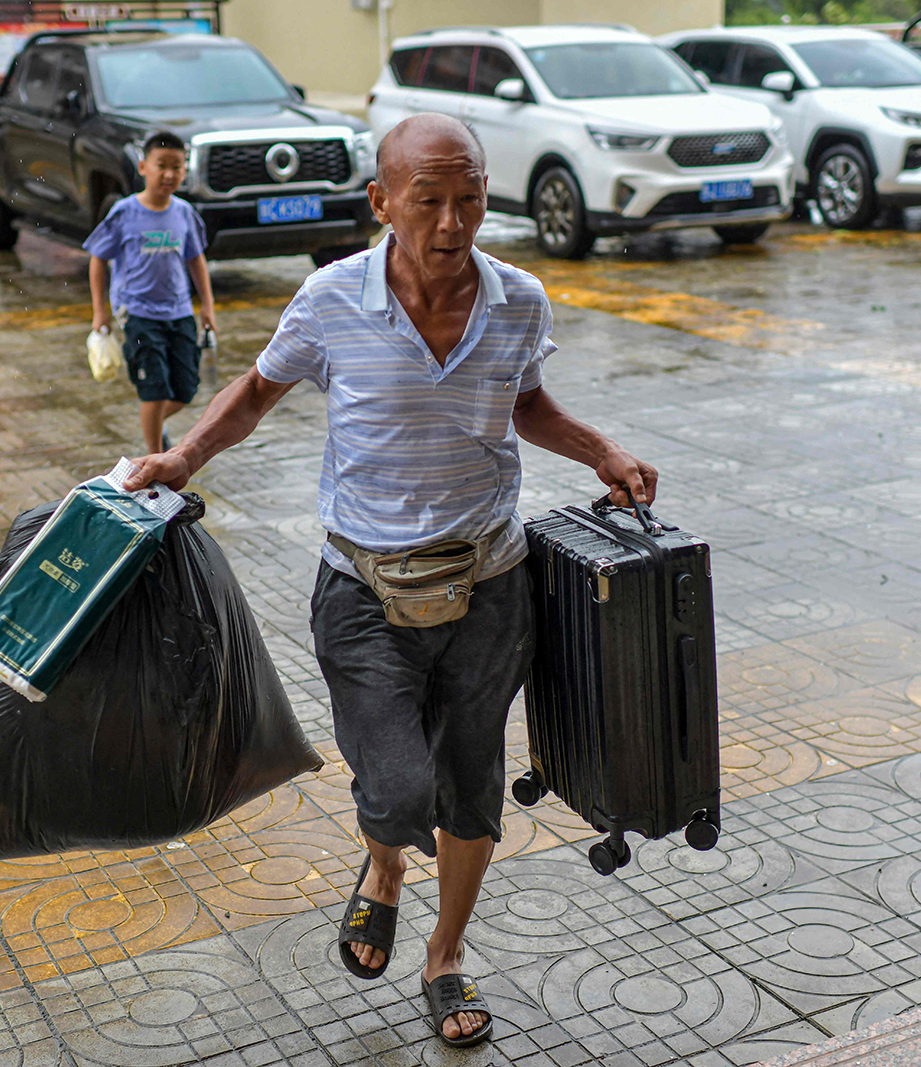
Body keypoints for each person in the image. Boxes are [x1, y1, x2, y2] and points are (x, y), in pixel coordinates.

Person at [122, 113, 657, 1050]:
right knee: (398, 789)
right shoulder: (332, 299)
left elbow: (524, 402)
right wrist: (182, 456)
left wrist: (600, 447)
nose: (454, 222)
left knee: (470, 784)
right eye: (430, 201)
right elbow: (256, 389)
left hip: (491, 584)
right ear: (382, 202)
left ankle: (445, 957)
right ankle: (384, 869)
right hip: (363, 588)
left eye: (472, 199)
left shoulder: (520, 299)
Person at [86, 130, 216, 455]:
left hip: (180, 312)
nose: (169, 174)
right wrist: (99, 310)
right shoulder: (125, 213)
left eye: (177, 166)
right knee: (154, 391)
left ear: (185, 170)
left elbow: (196, 260)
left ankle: (155, 422)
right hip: (138, 314)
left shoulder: (184, 213)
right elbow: (98, 259)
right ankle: (154, 459)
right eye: (161, 165)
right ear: (143, 167)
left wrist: (207, 307)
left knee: (185, 390)